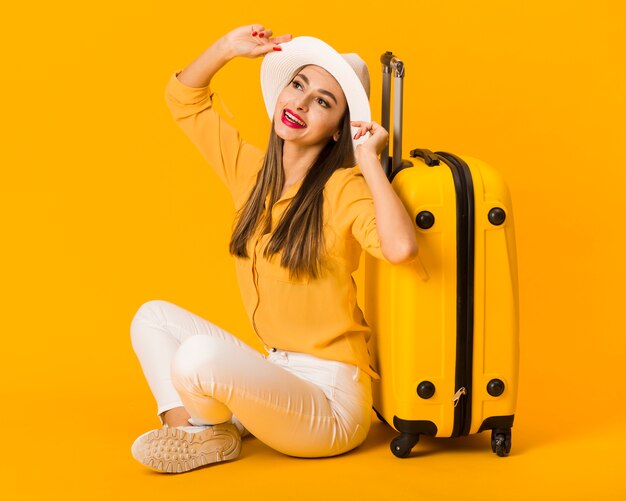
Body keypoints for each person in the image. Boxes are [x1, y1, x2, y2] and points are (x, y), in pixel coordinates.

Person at [130, 24, 418, 474]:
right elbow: (183, 100)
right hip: (277, 371)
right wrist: (227, 47)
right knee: (152, 317)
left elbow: (400, 248)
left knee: (196, 358)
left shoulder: (343, 188)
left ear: (340, 129)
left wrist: (368, 162)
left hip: (330, 403)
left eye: (323, 101)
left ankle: (202, 430)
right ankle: (205, 431)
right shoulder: (251, 172)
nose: (300, 103)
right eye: (298, 85)